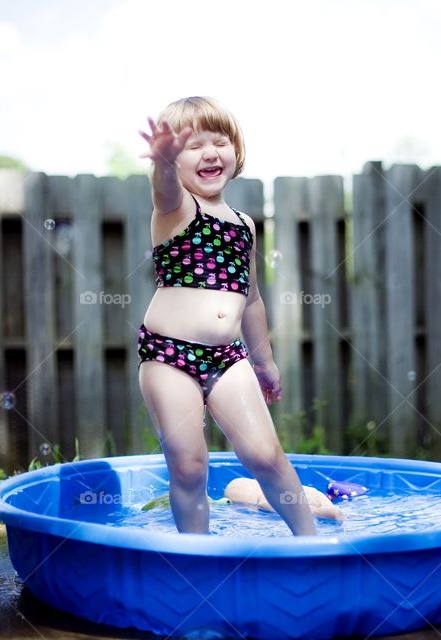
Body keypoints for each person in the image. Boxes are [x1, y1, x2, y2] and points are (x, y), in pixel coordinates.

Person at [136, 96, 319, 536]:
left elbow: (251, 299)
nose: (210, 152)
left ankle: (311, 541)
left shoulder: (243, 223)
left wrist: (264, 362)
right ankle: (197, 558)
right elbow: (163, 189)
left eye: (219, 141)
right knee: (189, 465)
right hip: (168, 357)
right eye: (192, 146)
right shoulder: (177, 210)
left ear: (236, 151)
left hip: (228, 357)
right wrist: (161, 162)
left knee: (267, 456)